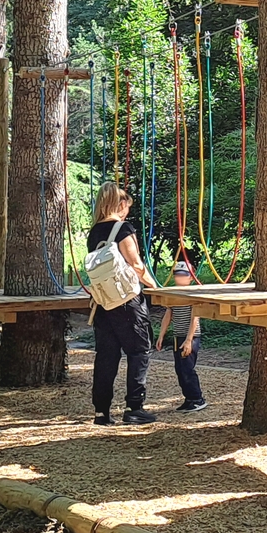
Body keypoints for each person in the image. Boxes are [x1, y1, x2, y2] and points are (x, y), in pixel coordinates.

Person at [86, 182, 159, 425]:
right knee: (139, 351)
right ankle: (134, 407)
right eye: (126, 205)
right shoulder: (123, 228)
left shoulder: (94, 231)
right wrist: (154, 286)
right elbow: (135, 264)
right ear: (120, 204)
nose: (127, 210)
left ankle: (101, 412)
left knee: (107, 355)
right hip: (127, 301)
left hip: (102, 301)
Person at [157, 260, 208, 412]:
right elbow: (168, 313)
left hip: (190, 336)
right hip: (177, 335)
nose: (180, 278)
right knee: (180, 368)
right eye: (177, 275)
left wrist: (189, 340)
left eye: (183, 275)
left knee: (187, 368)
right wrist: (161, 335)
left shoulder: (192, 295)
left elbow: (195, 317)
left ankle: (197, 398)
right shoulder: (173, 294)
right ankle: (189, 398)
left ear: (191, 277)